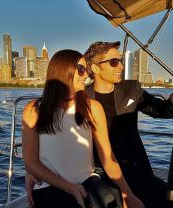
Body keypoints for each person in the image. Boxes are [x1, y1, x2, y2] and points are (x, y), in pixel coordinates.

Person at [83, 41, 173, 208]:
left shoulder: (131, 88)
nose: (120, 66)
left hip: (136, 169)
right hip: (101, 172)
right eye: (114, 62)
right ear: (95, 68)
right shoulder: (81, 98)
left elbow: (161, 109)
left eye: (121, 61)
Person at [22, 49, 144, 208]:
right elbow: (31, 162)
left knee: (108, 200)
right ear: (63, 70)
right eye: (81, 70)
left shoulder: (92, 108)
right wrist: (69, 187)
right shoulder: (34, 110)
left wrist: (128, 194)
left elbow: (108, 158)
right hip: (50, 187)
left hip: (88, 182)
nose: (86, 75)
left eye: (86, 70)